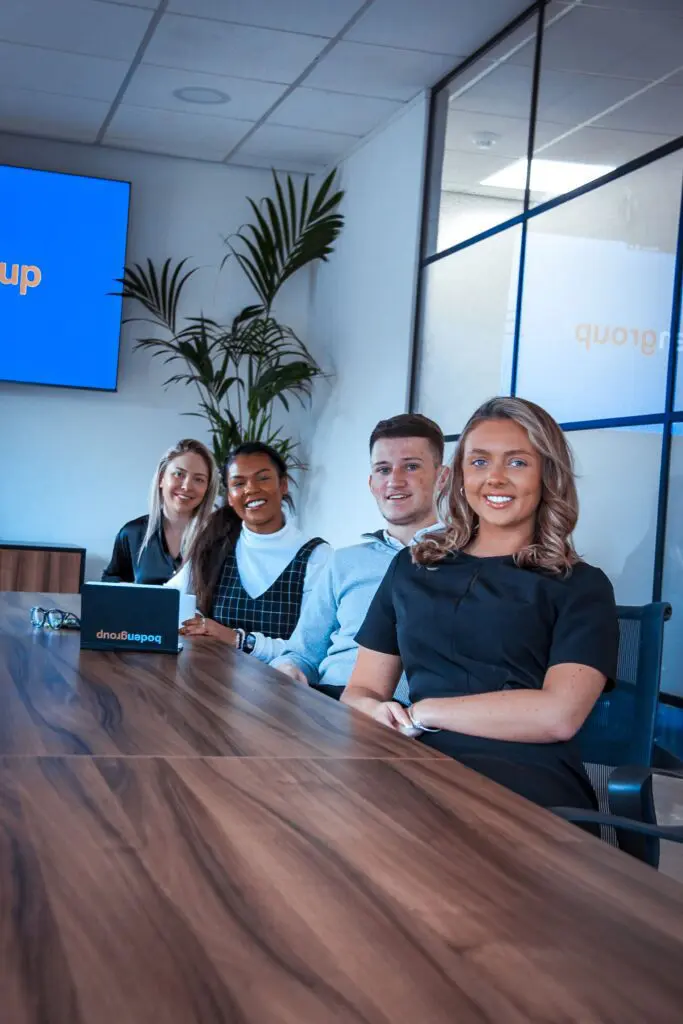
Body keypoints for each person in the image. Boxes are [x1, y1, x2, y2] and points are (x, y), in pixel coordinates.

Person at [342, 396, 619, 812]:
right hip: (409, 768)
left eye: (517, 462)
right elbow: (360, 690)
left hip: (524, 782)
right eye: (479, 462)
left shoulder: (580, 585)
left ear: (548, 474)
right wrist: (375, 710)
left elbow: (557, 715)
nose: (495, 478)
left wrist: (425, 713)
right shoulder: (413, 566)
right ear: (458, 477)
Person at [270, 413, 445, 698]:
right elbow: (302, 654)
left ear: (443, 477)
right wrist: (289, 670)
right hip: (325, 702)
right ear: (371, 482)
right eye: (384, 469)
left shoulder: (466, 561)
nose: (395, 481)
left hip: (403, 717)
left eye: (411, 467)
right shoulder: (343, 561)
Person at [170, 442, 330, 661]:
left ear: (283, 485)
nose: (251, 489)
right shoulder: (215, 544)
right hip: (213, 682)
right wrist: (193, 619)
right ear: (229, 496)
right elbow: (171, 599)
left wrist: (236, 638)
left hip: (283, 689)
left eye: (263, 478)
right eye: (238, 483)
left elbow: (311, 651)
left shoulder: (317, 556)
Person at [102, 438, 219, 585]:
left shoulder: (218, 538)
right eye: (178, 474)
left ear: (207, 488)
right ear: (161, 479)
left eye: (199, 479)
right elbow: (109, 580)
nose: (187, 486)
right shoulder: (132, 533)